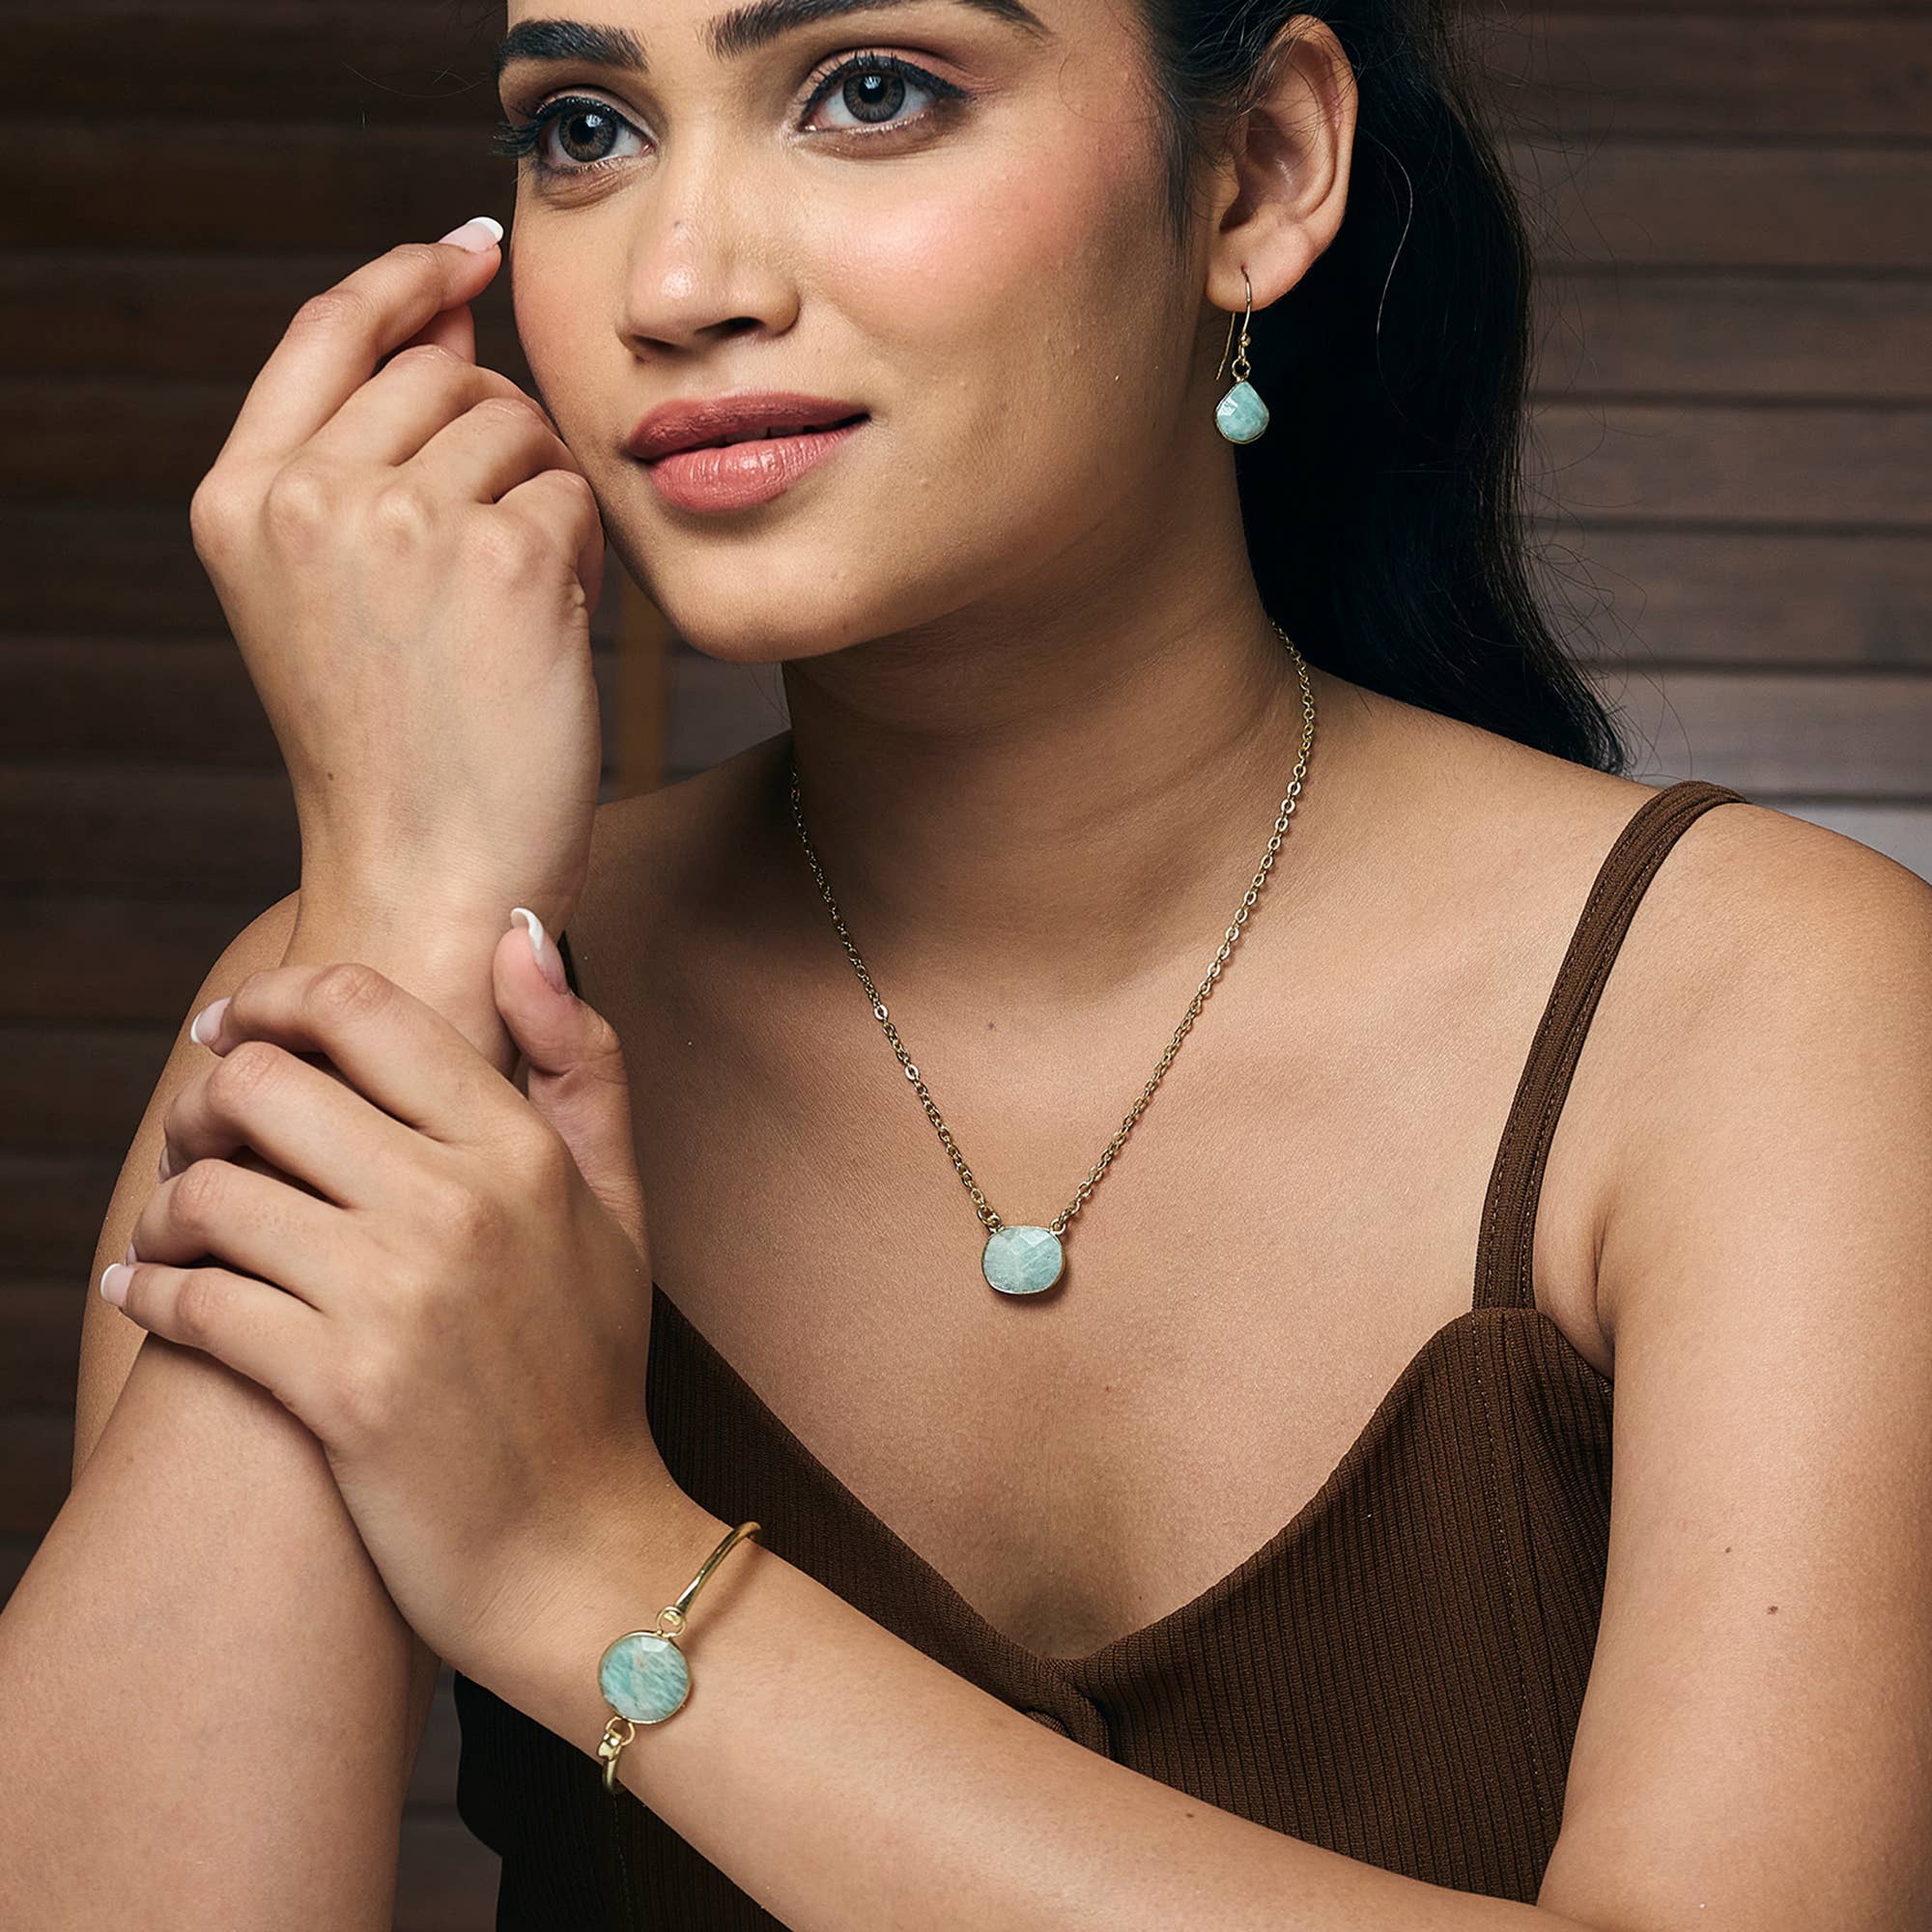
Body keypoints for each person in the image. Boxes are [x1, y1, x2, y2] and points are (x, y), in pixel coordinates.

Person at [5, 0, 1928, 1923]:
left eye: (868, 92)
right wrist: (406, 903)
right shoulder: (379, 979)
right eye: (586, 130)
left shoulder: (1770, 1010)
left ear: (1256, 174)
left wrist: (589, 1570)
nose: (675, 281)